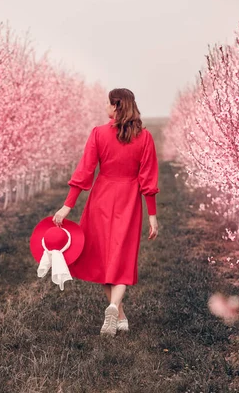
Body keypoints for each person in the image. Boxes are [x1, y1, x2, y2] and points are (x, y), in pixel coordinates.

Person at [52, 88, 159, 337]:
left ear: (115, 106)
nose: (106, 108)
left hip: (101, 197)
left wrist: (67, 206)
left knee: (102, 255)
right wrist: (152, 215)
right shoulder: (145, 137)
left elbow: (84, 172)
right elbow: (148, 179)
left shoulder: (98, 133)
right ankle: (116, 312)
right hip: (129, 199)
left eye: (108, 104)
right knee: (122, 255)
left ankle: (115, 310)